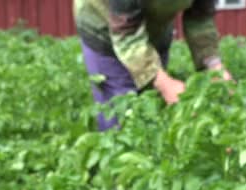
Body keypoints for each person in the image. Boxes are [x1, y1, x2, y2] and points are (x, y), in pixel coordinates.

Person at [74, 0, 233, 131]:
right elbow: (126, 35)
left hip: (154, 28)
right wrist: (165, 84)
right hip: (104, 27)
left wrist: (214, 66)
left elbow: (200, 19)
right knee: (120, 114)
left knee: (154, 108)